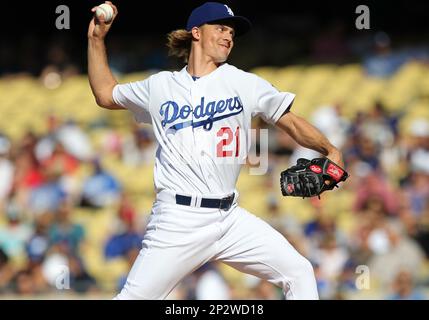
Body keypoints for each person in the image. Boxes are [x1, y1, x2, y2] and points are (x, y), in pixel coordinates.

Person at [87, 1, 344, 300]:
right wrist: (96, 39)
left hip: (229, 218)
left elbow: (290, 121)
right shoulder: (160, 86)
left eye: (232, 32)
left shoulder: (243, 83)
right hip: (178, 219)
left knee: (299, 271)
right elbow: (105, 94)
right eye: (221, 28)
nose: (228, 36)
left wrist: (329, 148)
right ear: (196, 32)